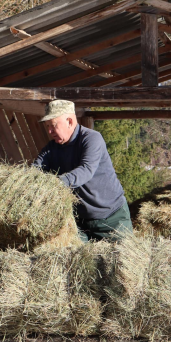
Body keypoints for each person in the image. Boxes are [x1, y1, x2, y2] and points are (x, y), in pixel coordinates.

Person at [33, 100, 132, 242]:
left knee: (120, 261)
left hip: (112, 219)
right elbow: (35, 171)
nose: (49, 131)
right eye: (47, 126)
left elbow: (86, 170)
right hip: (80, 223)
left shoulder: (92, 139)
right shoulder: (51, 149)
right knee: (81, 262)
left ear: (69, 121)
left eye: (53, 125)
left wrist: (55, 184)